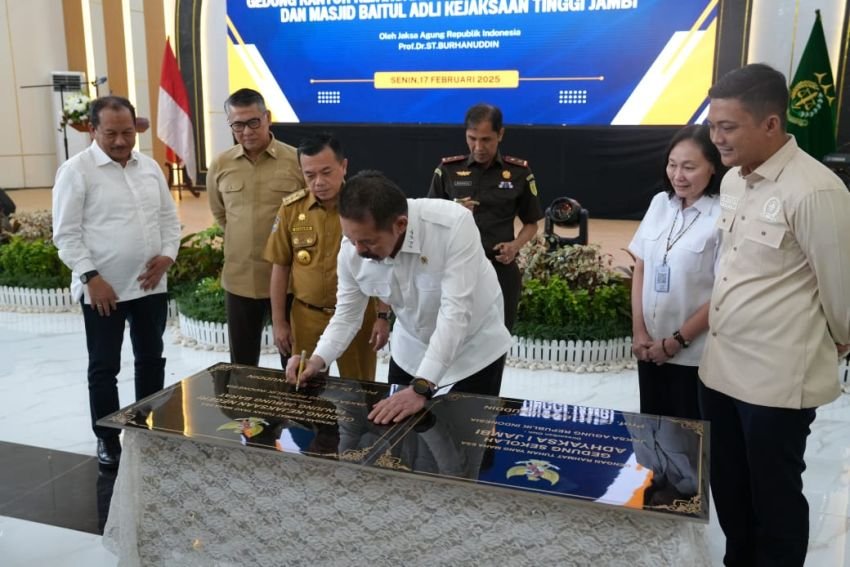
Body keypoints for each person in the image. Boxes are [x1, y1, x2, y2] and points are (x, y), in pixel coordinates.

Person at [700, 63, 850, 566]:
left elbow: (843, 291)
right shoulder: (735, 183)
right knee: (731, 494)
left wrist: (838, 336)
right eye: (713, 125)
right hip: (720, 371)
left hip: (776, 384)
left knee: (776, 502)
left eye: (728, 127)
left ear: (771, 123)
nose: (716, 138)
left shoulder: (815, 190)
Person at [288, 170, 513, 424]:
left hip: (474, 349)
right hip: (412, 348)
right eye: (351, 239)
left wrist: (422, 387)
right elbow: (347, 316)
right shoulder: (352, 249)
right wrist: (318, 360)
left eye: (368, 242)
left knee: (466, 446)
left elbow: (456, 312)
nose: (358, 250)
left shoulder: (452, 225)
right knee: (400, 445)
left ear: (400, 225)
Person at [52, 95, 181, 468]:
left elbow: (169, 222)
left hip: (149, 286)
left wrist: (168, 256)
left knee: (151, 360)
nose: (121, 141)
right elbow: (66, 235)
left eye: (127, 132)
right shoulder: (77, 171)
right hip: (103, 291)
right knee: (105, 368)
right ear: (93, 130)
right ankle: (107, 439)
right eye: (111, 133)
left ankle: (149, 431)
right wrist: (91, 277)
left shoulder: (150, 167)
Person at [263, 133, 386, 380]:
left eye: (326, 172)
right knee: (307, 388)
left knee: (360, 390)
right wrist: (279, 322)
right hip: (307, 318)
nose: (318, 182)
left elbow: (385, 264)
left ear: (344, 166)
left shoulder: (367, 206)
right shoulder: (291, 209)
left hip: (358, 317)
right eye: (309, 175)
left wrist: (383, 316)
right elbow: (280, 267)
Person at [628, 125, 725, 419]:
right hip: (649, 350)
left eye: (689, 167)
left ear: (712, 167)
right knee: (656, 439)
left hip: (693, 356)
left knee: (691, 447)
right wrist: (639, 332)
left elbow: (724, 291)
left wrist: (675, 342)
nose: (678, 175)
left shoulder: (723, 216)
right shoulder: (660, 204)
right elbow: (641, 266)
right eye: (672, 165)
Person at [207, 88, 304, 367]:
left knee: (296, 361)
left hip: (289, 283)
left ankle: (295, 409)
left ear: (267, 118)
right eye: (237, 124)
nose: (246, 131)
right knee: (242, 366)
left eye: (253, 122)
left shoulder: (295, 160)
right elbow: (221, 214)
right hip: (240, 281)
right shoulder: (221, 164)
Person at [427, 103, 543, 331]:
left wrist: (515, 246)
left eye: (486, 139)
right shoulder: (448, 170)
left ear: (500, 134)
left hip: (500, 269)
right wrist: (453, 210)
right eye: (472, 138)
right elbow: (428, 217)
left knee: (498, 337)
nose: (478, 147)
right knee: (453, 335)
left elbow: (531, 223)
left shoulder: (519, 173)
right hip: (455, 269)